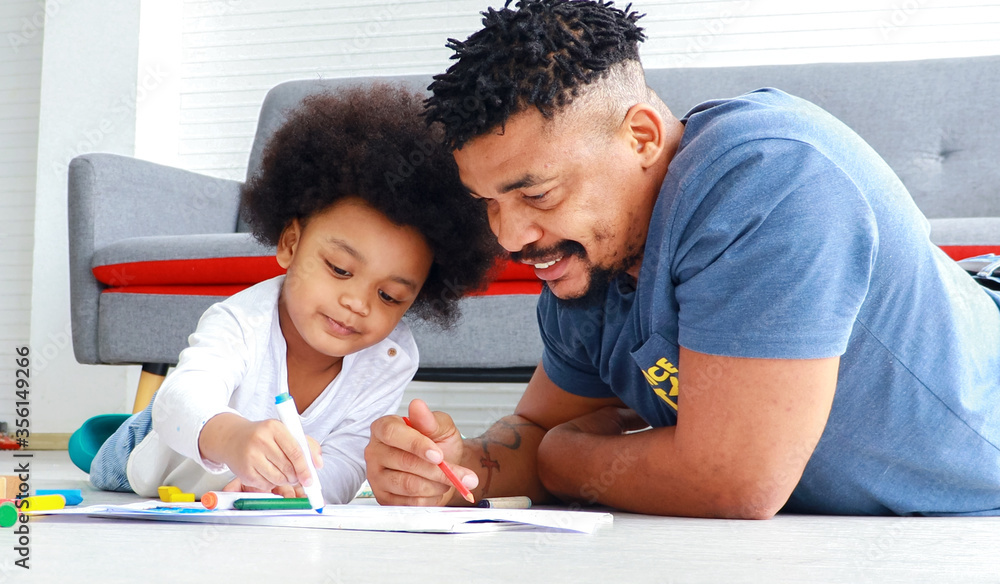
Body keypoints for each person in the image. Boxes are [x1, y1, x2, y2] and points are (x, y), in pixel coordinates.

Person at [365, 0, 1000, 517]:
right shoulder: (587, 269)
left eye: (536, 193)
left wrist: (565, 458)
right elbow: (533, 432)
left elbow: (735, 481)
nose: (508, 237)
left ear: (641, 136)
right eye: (489, 203)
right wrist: (456, 468)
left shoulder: (769, 176)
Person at [89, 83, 498, 504]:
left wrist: (296, 492)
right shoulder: (241, 321)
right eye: (340, 269)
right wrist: (233, 438)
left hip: (232, 491)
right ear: (289, 243)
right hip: (163, 447)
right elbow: (179, 403)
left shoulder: (390, 358)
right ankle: (121, 429)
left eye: (390, 296)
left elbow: (346, 460)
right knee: (124, 454)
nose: (357, 304)